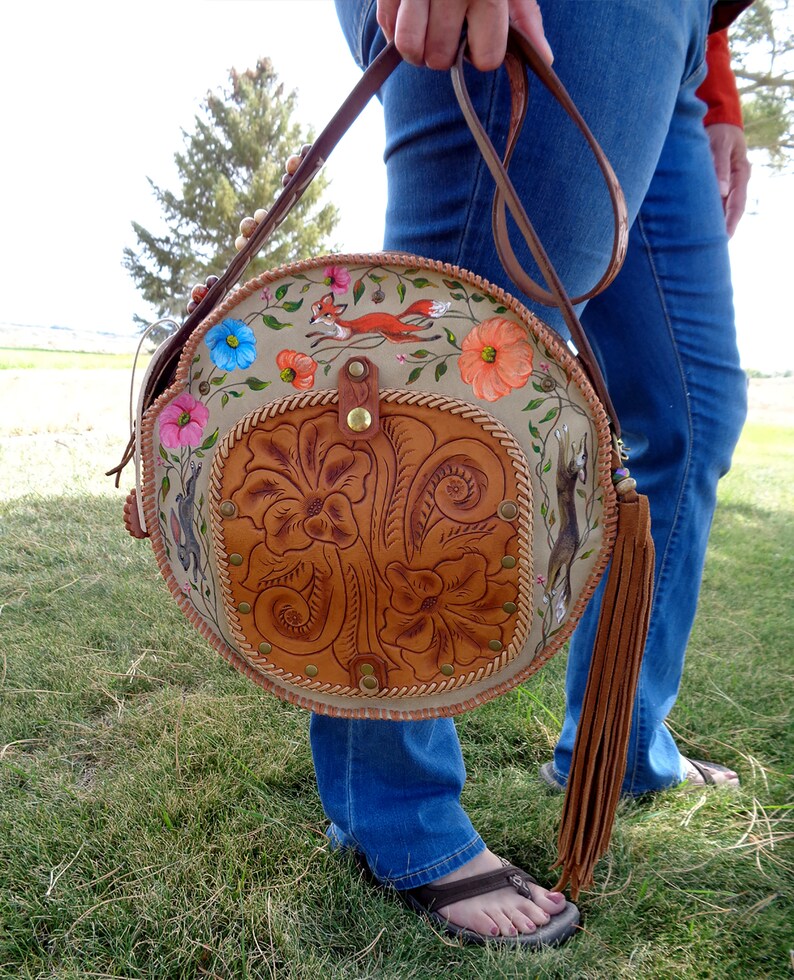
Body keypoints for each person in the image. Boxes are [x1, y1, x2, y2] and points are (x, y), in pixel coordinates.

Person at [310, 0, 751, 947]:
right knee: (438, 397)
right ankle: (391, 805)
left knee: (688, 411)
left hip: (677, 39)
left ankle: (617, 744)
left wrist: (716, 88)